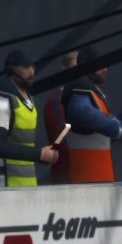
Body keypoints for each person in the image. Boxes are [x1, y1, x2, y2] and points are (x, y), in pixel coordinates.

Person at [0, 49, 58, 187]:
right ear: (12, 70)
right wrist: (39, 154)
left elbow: (24, 144)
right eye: (26, 67)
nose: (31, 71)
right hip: (4, 184)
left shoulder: (28, 100)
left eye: (32, 66)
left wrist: (43, 156)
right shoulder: (1, 100)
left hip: (26, 183)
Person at [62, 49, 122, 183]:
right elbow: (81, 111)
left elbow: (105, 115)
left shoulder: (91, 91)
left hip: (98, 173)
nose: (105, 69)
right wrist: (116, 129)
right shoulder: (79, 88)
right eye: (99, 65)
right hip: (87, 174)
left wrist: (114, 124)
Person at [41, 51, 77, 184]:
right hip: (66, 174)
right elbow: (59, 139)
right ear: (65, 70)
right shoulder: (56, 100)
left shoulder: (78, 98)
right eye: (75, 68)